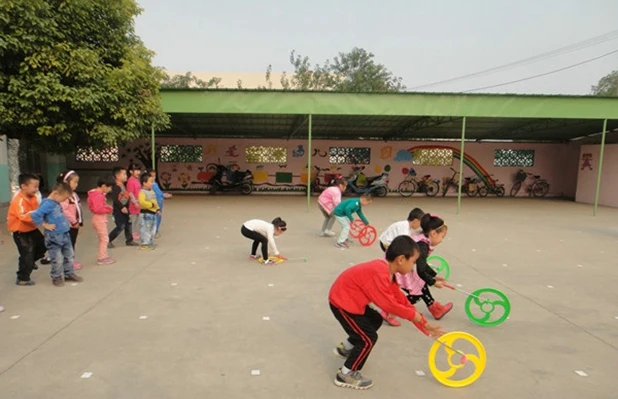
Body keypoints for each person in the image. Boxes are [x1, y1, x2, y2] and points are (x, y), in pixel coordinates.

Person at [329, 235, 445, 390]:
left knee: (375, 320)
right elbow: (389, 305)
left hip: (352, 300)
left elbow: (400, 300)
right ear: (401, 259)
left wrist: (424, 324)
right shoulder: (380, 273)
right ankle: (346, 373)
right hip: (342, 303)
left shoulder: (387, 271)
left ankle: (346, 348)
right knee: (368, 339)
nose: (413, 267)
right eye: (414, 262)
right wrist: (413, 317)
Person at [376, 207, 425, 326]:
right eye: (420, 223)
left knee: (395, 286)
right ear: (415, 220)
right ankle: (389, 313)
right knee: (396, 287)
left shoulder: (405, 226)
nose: (419, 226)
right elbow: (405, 246)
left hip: (388, 245)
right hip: (388, 245)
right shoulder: (404, 227)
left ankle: (388, 312)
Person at [30, 182, 84, 287]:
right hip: (54, 236)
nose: (64, 201)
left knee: (69, 255)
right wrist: (44, 225)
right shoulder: (47, 204)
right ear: (56, 193)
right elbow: (36, 215)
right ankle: (57, 277)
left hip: (64, 233)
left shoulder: (56, 202)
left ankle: (69, 273)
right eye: (63, 198)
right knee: (57, 258)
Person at [404, 213, 453, 320]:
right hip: (399, 268)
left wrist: (433, 275)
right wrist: (433, 282)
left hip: (403, 266)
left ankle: (435, 309)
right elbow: (421, 270)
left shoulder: (421, 239)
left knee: (420, 287)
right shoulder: (423, 246)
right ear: (434, 233)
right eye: (442, 237)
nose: (442, 240)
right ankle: (391, 310)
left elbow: (422, 264)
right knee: (416, 293)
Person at [7, 173, 47, 285]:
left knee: (43, 245)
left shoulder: (34, 198)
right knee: (27, 253)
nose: (36, 189)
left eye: (37, 186)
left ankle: (29, 262)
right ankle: (22, 278)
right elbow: (23, 216)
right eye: (34, 186)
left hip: (32, 229)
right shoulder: (18, 200)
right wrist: (38, 215)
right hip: (21, 233)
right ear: (24, 186)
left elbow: (38, 211)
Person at [57, 170, 83, 270]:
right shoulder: (65, 195)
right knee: (68, 244)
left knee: (72, 243)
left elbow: (78, 207)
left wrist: (79, 221)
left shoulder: (74, 194)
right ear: (66, 182)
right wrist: (74, 221)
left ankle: (70, 260)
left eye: (77, 182)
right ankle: (68, 262)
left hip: (74, 224)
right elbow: (65, 210)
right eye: (74, 182)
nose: (76, 184)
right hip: (68, 225)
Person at [108, 167, 139, 248]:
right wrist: (121, 207)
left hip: (126, 210)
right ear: (117, 176)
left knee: (128, 224)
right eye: (124, 174)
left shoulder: (123, 186)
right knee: (120, 226)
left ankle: (129, 240)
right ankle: (108, 240)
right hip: (118, 211)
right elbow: (115, 199)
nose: (126, 176)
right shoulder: (116, 187)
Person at [87, 176, 115, 265]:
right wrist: (108, 210)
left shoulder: (96, 194)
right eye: (109, 187)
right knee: (104, 239)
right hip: (99, 218)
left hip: (99, 218)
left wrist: (107, 208)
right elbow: (98, 209)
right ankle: (102, 257)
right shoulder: (98, 196)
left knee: (103, 238)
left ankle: (104, 256)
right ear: (103, 186)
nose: (110, 189)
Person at [138, 172, 160, 250]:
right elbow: (142, 203)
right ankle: (145, 244)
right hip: (146, 213)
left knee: (152, 229)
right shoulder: (142, 192)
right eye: (151, 181)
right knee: (146, 229)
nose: (152, 183)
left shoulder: (151, 191)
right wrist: (151, 205)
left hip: (153, 214)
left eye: (153, 181)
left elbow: (155, 201)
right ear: (144, 183)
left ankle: (150, 242)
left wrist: (157, 209)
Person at [147, 169, 172, 238]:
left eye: (154, 176)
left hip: (158, 201)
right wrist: (164, 195)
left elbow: (159, 192)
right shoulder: (153, 185)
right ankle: (155, 231)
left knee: (156, 216)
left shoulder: (154, 184)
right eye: (152, 176)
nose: (154, 178)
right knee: (157, 217)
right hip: (157, 202)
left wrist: (163, 194)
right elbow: (157, 193)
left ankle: (153, 231)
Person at [126, 163, 142, 241]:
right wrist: (135, 202)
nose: (138, 172)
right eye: (136, 170)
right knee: (133, 219)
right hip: (134, 203)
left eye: (138, 170)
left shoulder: (136, 180)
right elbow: (130, 193)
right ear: (130, 172)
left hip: (138, 202)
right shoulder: (130, 181)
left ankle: (134, 232)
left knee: (137, 219)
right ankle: (131, 233)